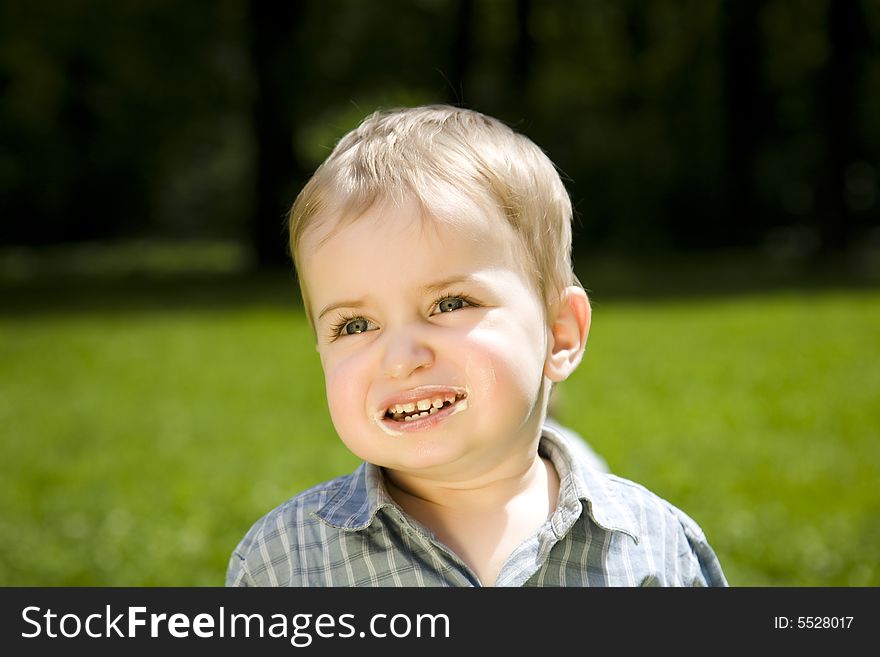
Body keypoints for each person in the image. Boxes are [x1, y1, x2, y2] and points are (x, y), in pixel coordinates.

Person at [226, 105, 727, 587]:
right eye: (356, 325)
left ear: (560, 333)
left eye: (449, 304)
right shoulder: (284, 564)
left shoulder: (654, 545)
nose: (401, 359)